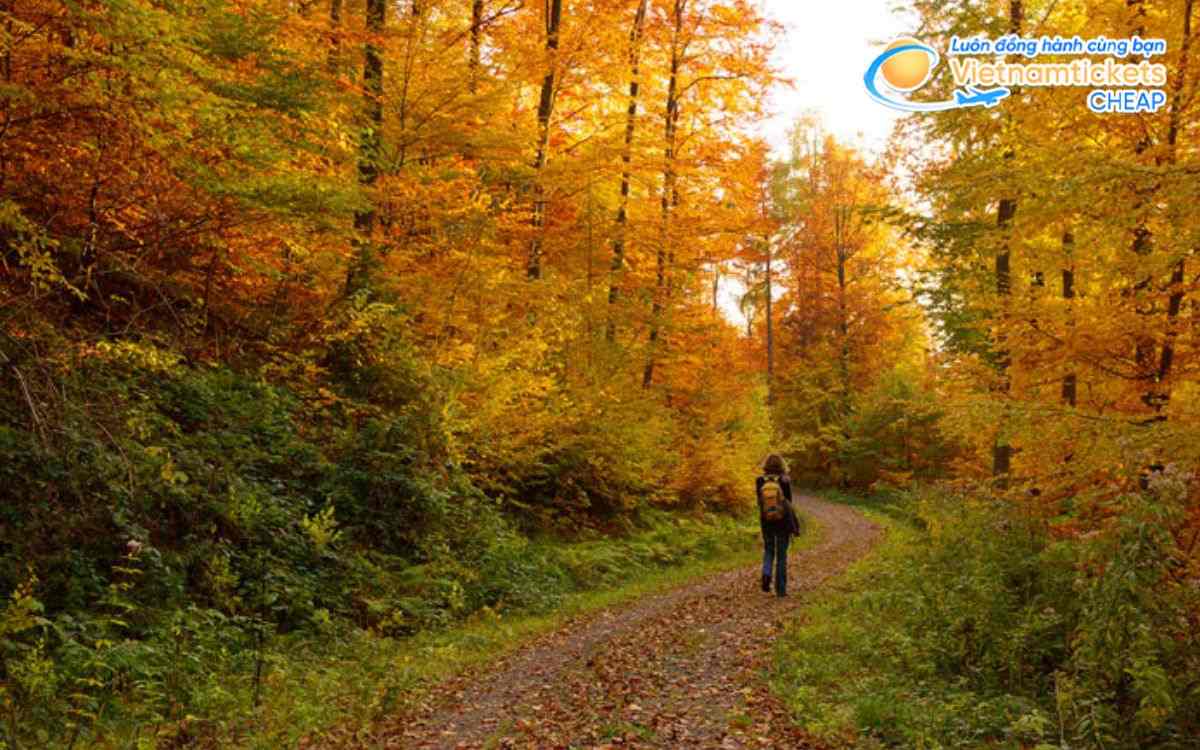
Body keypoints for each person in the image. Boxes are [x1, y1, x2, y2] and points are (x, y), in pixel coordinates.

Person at [756, 453, 800, 597]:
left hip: (766, 520)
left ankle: (766, 574)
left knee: (769, 550)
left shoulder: (759, 481)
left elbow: (759, 503)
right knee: (782, 556)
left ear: (766, 465)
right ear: (782, 465)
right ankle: (781, 590)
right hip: (783, 521)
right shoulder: (785, 480)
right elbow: (789, 503)